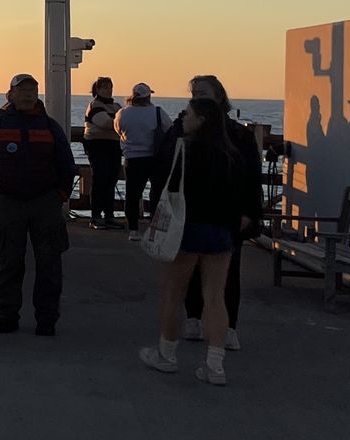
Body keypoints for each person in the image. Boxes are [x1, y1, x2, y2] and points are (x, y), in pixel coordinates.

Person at [139, 97, 249, 385]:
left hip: (186, 229)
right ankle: (215, 366)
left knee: (173, 293)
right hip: (221, 231)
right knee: (215, 297)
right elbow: (242, 193)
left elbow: (164, 183)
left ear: (200, 119)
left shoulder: (183, 149)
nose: (183, 118)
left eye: (187, 114)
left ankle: (167, 354)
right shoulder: (232, 154)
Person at [0, 74, 78, 336]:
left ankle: (46, 320)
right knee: (8, 263)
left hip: (46, 205)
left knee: (49, 265)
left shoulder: (50, 126)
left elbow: (67, 164)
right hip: (9, 204)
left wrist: (61, 196)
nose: (28, 95)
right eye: (23, 90)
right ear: (10, 95)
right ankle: (7, 316)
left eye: (33, 90)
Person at [168, 74, 263, 350]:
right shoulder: (182, 130)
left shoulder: (238, 134)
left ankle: (229, 327)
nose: (198, 97)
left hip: (227, 215)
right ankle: (194, 318)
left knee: (227, 274)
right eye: (194, 93)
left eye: (204, 93)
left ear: (219, 97)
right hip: (191, 213)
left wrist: (250, 212)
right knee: (189, 272)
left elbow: (252, 176)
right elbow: (167, 168)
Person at [114, 83, 170, 242]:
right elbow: (169, 130)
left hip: (132, 159)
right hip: (155, 158)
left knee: (132, 194)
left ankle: (133, 229)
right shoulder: (157, 112)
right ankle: (155, 226)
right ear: (148, 96)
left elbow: (118, 129)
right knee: (157, 193)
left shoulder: (122, 113)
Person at [81, 77, 124, 230]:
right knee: (100, 179)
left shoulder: (116, 105)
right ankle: (96, 216)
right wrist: (118, 121)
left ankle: (109, 216)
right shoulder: (95, 105)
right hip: (97, 146)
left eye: (110, 87)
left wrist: (117, 121)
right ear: (97, 90)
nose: (108, 90)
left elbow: (118, 122)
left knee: (111, 180)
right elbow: (106, 123)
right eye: (104, 87)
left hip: (114, 146)